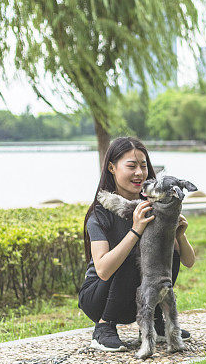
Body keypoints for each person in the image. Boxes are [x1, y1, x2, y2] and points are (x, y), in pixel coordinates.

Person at [78, 137, 196, 352]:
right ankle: (104, 328)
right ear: (112, 168)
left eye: (143, 166)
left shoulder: (156, 208)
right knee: (133, 253)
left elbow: (188, 262)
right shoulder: (99, 215)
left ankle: (156, 323)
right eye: (131, 166)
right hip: (100, 297)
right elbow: (103, 270)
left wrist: (180, 235)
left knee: (165, 254)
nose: (139, 173)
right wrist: (135, 230)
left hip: (139, 299)